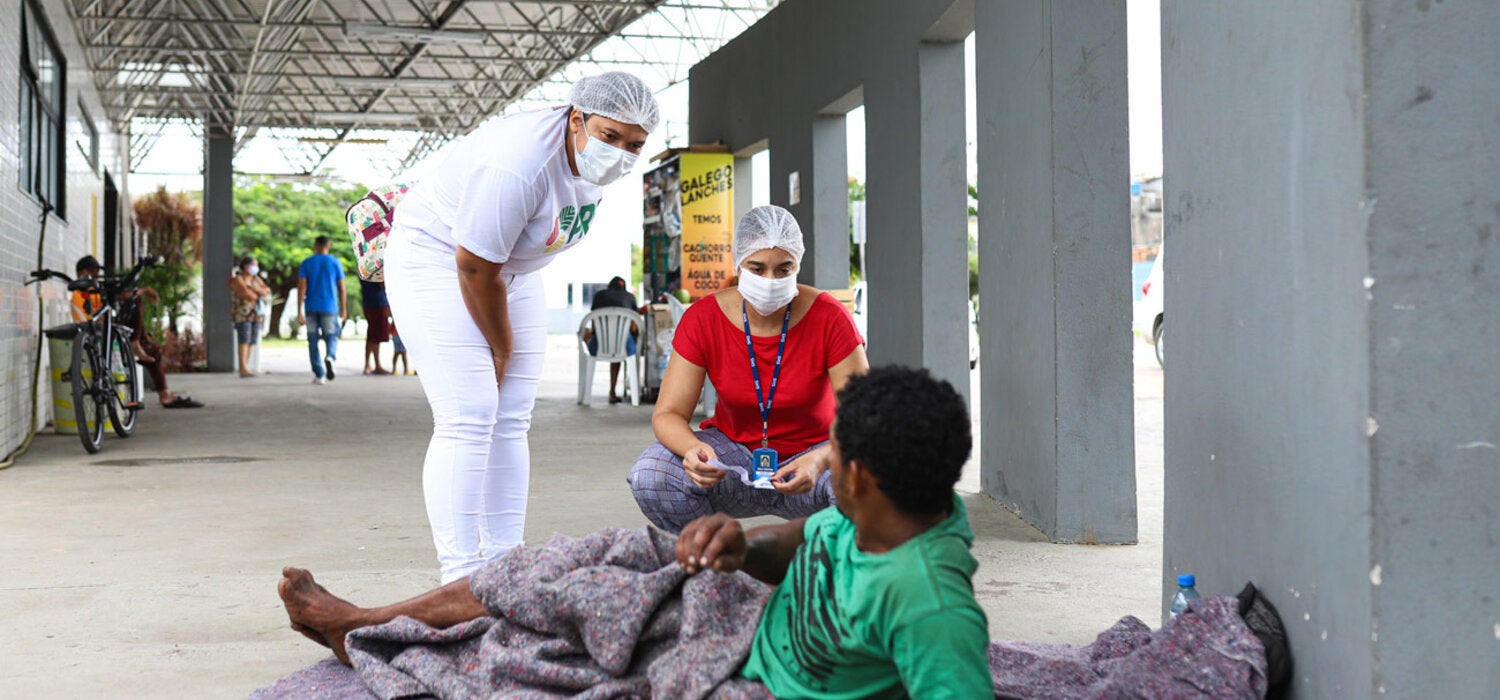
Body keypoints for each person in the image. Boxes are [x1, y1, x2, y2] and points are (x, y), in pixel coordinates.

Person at [276, 366, 992, 698]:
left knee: (524, 659)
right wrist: (744, 543)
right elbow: (811, 540)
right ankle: (366, 622)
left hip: (748, 682)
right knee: (576, 562)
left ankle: (368, 632)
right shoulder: (890, 505)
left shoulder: (930, 605)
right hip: (739, 613)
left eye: (832, 450)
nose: (824, 459)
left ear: (859, 474)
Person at [382, 71, 660, 583]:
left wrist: (505, 343)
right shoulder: (518, 164)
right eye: (610, 136)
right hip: (441, 256)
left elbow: (508, 257)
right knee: (470, 411)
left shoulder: (592, 168)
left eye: (635, 145)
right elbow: (473, 266)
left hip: (511, 266)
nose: (622, 152)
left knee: (512, 415)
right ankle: (461, 577)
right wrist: (500, 343)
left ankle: (506, 564)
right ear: (577, 119)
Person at [627, 205, 868, 533]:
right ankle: (714, 560)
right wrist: (693, 449)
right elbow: (667, 413)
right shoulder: (704, 318)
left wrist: (822, 458)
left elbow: (864, 417)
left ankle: (829, 569)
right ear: (738, 263)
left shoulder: (830, 317)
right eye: (757, 268)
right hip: (733, 463)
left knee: (868, 477)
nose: (770, 281)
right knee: (652, 475)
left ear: (798, 263)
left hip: (813, 463)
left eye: (784, 269)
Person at [71, 256, 202, 408]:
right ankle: (136, 342)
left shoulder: (95, 290)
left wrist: (144, 290)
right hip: (99, 333)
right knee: (136, 302)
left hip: (108, 330)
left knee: (152, 350)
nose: (96, 276)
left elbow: (122, 296)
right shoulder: (79, 294)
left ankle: (163, 391)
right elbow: (90, 320)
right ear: (83, 272)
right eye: (93, 273)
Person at [297, 236, 347, 384]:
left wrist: (299, 310)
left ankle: (319, 374)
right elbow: (342, 288)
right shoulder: (335, 262)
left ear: (315, 246)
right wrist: (344, 309)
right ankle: (330, 356)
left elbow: (301, 288)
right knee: (331, 336)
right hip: (330, 307)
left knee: (312, 341)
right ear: (328, 246)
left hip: (311, 307)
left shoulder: (307, 263)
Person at [584, 275, 639, 404]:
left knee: (586, 333)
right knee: (620, 345)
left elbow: (593, 325)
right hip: (624, 348)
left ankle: (586, 392)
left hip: (598, 347)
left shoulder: (599, 295)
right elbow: (634, 327)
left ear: (609, 287)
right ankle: (612, 392)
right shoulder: (630, 297)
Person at [229, 256, 272, 378]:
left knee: (251, 341)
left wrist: (253, 288)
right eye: (254, 265)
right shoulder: (238, 279)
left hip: (256, 315)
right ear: (246, 266)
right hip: (242, 315)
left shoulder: (256, 279)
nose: (255, 268)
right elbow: (247, 294)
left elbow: (267, 291)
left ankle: (245, 368)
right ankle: (243, 368)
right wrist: (258, 291)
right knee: (244, 340)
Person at [359, 279, 391, 375]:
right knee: (376, 335)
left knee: (371, 334)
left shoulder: (363, 266)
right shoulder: (375, 266)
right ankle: (377, 365)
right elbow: (382, 284)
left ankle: (367, 364)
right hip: (377, 303)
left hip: (368, 302)